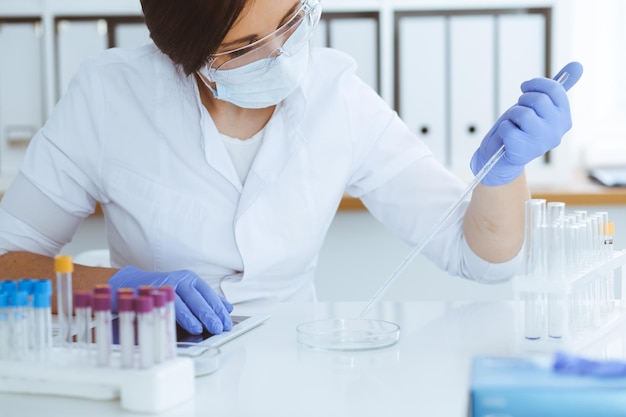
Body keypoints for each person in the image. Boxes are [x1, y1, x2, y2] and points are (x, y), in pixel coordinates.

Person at [0, 0, 581, 335]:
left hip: (295, 370)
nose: (281, 54)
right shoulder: (109, 96)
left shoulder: (339, 97)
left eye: (291, 19)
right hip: (155, 373)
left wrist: (506, 173)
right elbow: (7, 262)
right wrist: (118, 291)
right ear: (185, 54)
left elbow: (478, 259)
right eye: (245, 48)